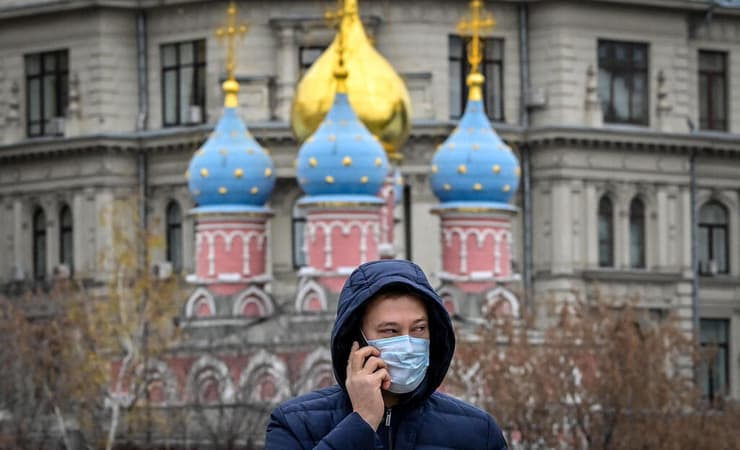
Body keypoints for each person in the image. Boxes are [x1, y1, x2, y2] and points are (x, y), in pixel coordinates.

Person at [265, 259, 508, 449]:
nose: (409, 344)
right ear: (356, 341)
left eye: (419, 329)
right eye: (391, 331)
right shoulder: (296, 425)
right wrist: (362, 421)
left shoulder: (476, 431)